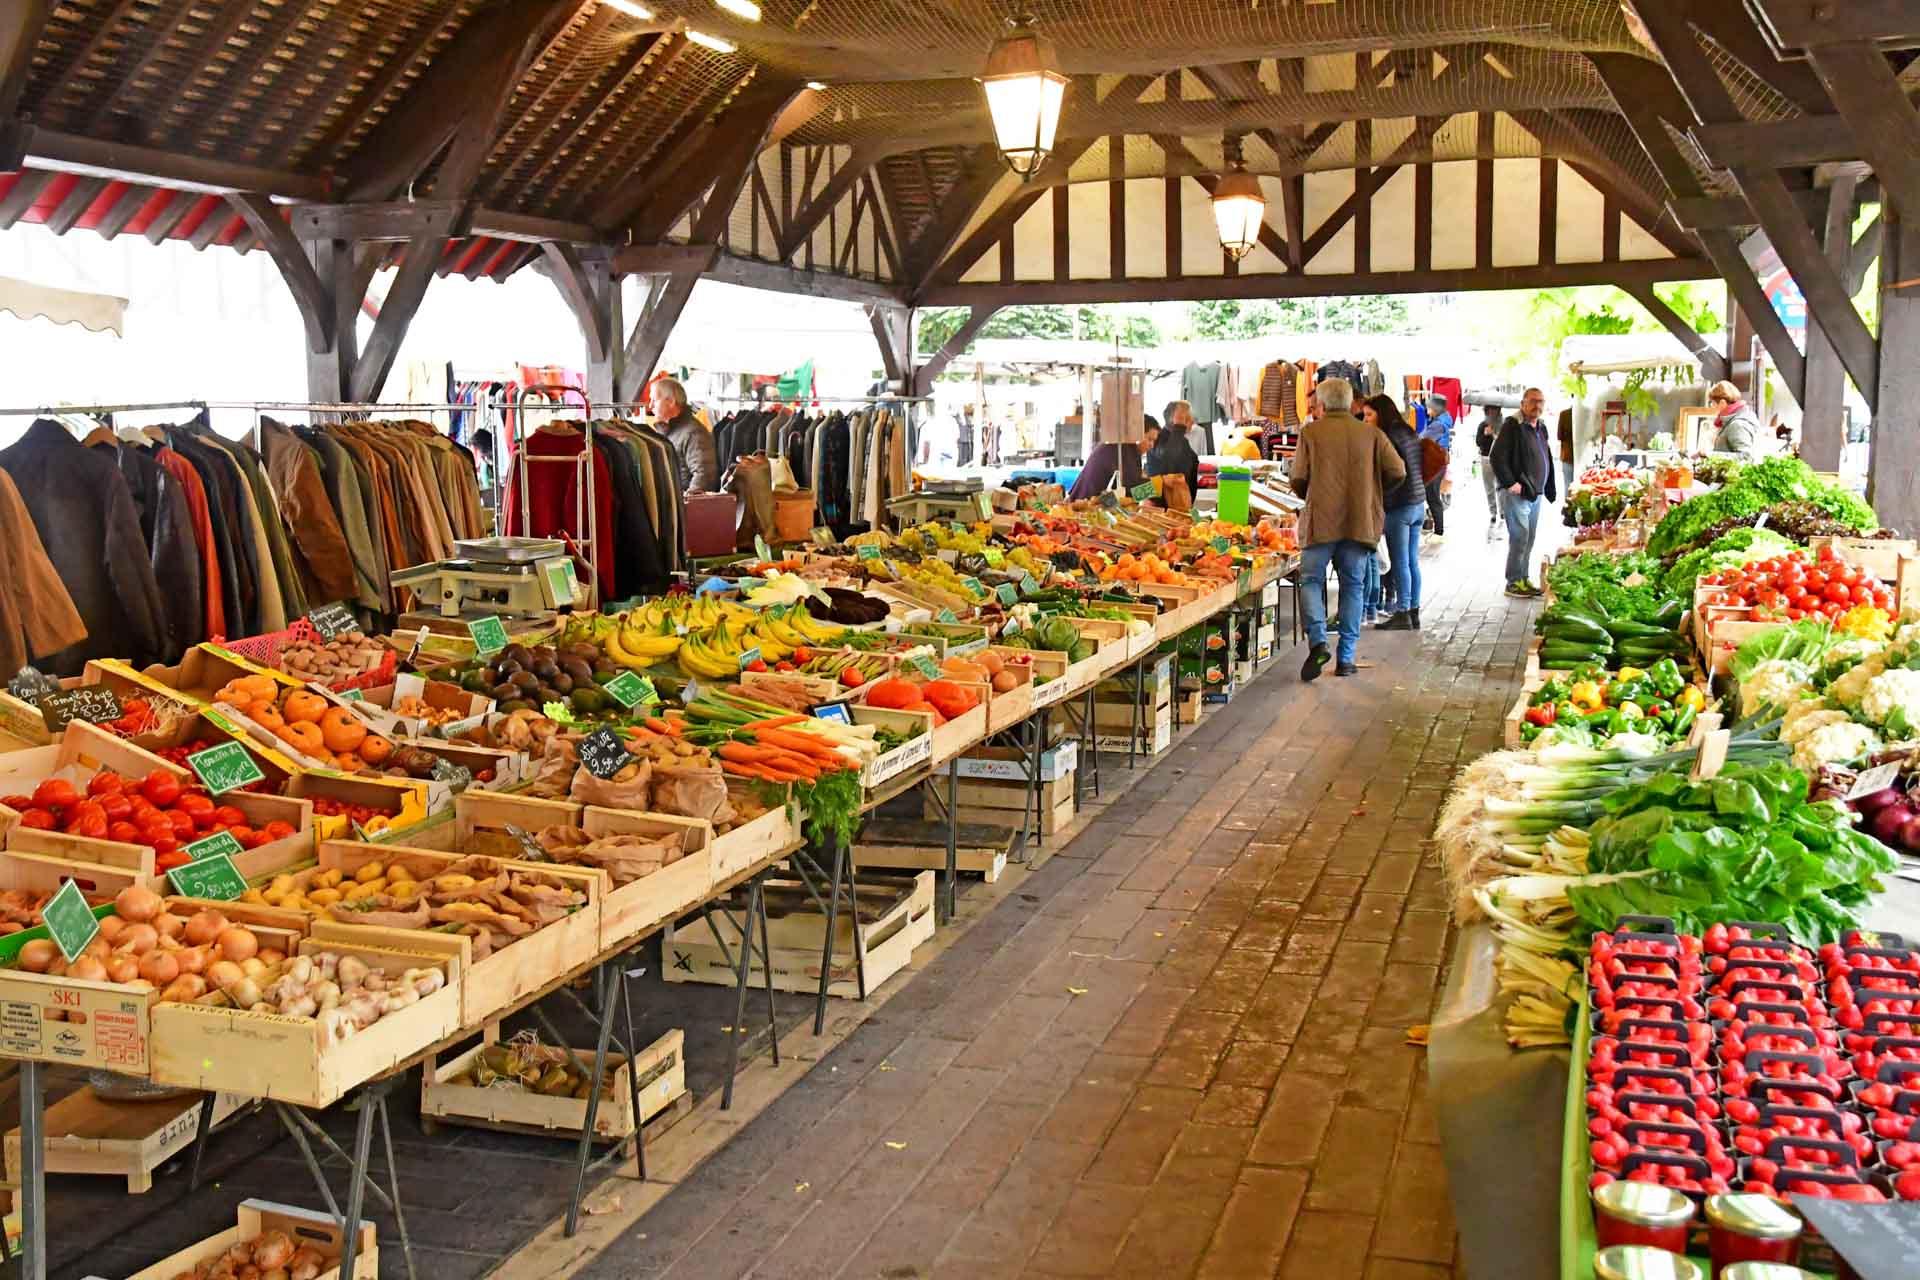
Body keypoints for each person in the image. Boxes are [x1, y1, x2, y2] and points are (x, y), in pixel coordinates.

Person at [1289, 378, 1406, 680]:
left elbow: (1298, 477)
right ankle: (1347, 659)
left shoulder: (1311, 433)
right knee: (1353, 586)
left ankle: (1318, 642)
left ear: (1323, 405)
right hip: (1359, 521)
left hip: (1320, 524)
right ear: (1350, 402)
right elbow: (1398, 471)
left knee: (1311, 580)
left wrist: (1313, 495)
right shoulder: (1371, 434)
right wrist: (1373, 494)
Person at [1363, 395, 1427, 632]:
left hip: (1400, 505)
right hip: (1418, 503)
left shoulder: (1387, 436)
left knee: (1400, 562)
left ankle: (1402, 612)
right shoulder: (1407, 431)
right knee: (1411, 561)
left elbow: (1395, 473)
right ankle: (1413, 611)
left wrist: (1385, 494)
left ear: (1381, 413)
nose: (1365, 419)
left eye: (1369, 414)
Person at [1492, 387, 1557, 597]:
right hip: (1518, 493)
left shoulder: (1541, 427)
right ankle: (1513, 582)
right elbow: (1497, 456)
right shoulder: (1513, 425)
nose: (1537, 406)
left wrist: (1548, 487)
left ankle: (1522, 578)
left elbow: (1545, 454)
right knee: (1520, 537)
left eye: (1541, 401)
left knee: (1529, 538)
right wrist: (1511, 483)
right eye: (1533, 401)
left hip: (1534, 493)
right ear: (1523, 403)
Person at [649, 378, 719, 493]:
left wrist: (686, 505)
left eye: (654, 400)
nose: (650, 406)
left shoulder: (693, 433)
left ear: (671, 401)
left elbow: (704, 475)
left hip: (684, 507)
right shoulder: (668, 431)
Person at [1068, 427, 1146, 501]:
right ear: (1138, 435)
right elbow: (1129, 491)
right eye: (1149, 439)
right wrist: (1155, 487)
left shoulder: (1128, 450)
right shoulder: (1121, 449)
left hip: (1097, 502)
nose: (1151, 445)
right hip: (1086, 504)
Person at [1146, 401, 1201, 503]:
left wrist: (1193, 514)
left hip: (1182, 504)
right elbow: (1169, 462)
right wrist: (1179, 427)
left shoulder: (1183, 441)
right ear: (1175, 420)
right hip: (1163, 508)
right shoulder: (1158, 439)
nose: (1192, 421)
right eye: (1187, 418)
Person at [1707, 380, 1764, 456]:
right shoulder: (1733, 420)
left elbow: (1746, 457)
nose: (1712, 407)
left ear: (1722, 403)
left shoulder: (1737, 425)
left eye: (1712, 403)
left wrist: (1711, 455)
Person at [1474, 404, 1504, 542]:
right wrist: (1485, 434)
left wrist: (1495, 435)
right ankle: (1493, 512)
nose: (1492, 413)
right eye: (1489, 411)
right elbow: (1478, 442)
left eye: (1494, 411)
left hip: (1500, 459)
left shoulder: (1503, 425)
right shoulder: (1482, 425)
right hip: (1486, 458)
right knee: (1489, 488)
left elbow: (1507, 443)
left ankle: (1503, 512)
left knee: (1501, 486)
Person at [1556, 406, 1577, 496]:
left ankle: (1568, 507)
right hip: (1584, 456)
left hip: (1568, 455)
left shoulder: (1564, 414)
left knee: (1568, 484)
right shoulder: (1587, 412)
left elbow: (1559, 436)